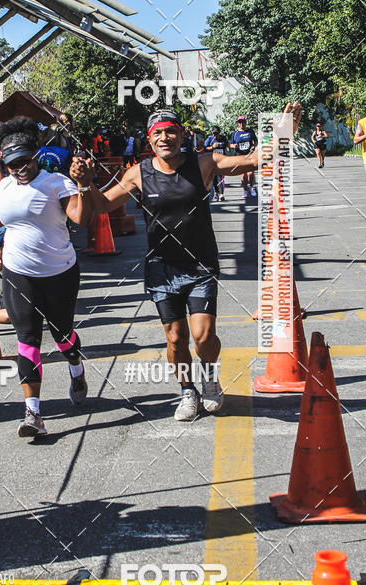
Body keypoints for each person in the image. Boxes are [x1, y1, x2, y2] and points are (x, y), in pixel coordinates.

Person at [70, 104, 302, 422]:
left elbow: (253, 159)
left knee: (203, 337)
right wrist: (84, 185)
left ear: (181, 135)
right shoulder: (139, 173)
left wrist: (283, 134)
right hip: (162, 268)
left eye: (170, 131)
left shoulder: (204, 163)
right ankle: (187, 391)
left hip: (200, 265)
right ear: (149, 140)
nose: (164, 138)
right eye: (157, 133)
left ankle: (209, 377)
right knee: (176, 338)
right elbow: (101, 206)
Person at [0, 116, 95, 437]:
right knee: (27, 339)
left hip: (59, 273)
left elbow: (82, 217)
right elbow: (2, 215)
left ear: (35, 156)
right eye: (12, 165)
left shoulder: (56, 183)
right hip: (18, 274)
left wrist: (85, 185)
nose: (19, 169)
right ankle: (33, 413)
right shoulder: (5, 186)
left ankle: (76, 369)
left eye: (24, 162)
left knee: (62, 336)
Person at [230, 116, 258, 197]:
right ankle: (245, 190)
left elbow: (255, 141)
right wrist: (233, 146)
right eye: (240, 122)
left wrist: (254, 146)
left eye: (243, 122)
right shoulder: (235, 133)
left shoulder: (250, 131)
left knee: (251, 173)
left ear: (245, 122)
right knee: (243, 174)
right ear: (238, 123)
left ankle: (251, 187)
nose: (241, 124)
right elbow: (231, 144)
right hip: (240, 156)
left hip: (250, 154)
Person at [204, 126, 228, 201]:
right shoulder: (210, 139)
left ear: (219, 133)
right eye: (214, 133)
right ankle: (216, 193)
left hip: (221, 161)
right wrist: (212, 147)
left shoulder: (223, 138)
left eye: (216, 134)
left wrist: (224, 146)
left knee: (220, 177)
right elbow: (205, 148)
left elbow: (227, 145)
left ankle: (221, 194)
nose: (215, 135)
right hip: (212, 162)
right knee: (214, 178)